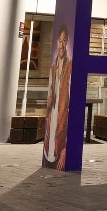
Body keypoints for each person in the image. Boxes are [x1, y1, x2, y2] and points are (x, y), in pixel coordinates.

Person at [43, 25, 72, 169]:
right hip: (52, 117)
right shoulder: (53, 69)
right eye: (59, 40)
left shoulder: (70, 66)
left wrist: (66, 147)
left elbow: (71, 104)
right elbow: (49, 93)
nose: (61, 44)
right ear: (56, 42)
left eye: (64, 40)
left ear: (67, 43)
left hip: (61, 122)